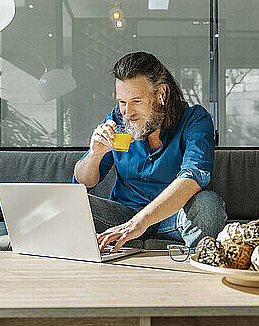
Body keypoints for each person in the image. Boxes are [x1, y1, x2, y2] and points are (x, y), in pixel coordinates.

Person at [73, 52, 227, 252]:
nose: (127, 113)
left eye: (136, 101)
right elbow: (84, 181)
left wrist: (138, 223)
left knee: (208, 204)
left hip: (173, 217)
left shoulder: (194, 120)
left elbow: (193, 177)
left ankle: (198, 269)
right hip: (124, 215)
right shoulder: (117, 120)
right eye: (122, 102)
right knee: (70, 204)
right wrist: (95, 154)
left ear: (161, 94)